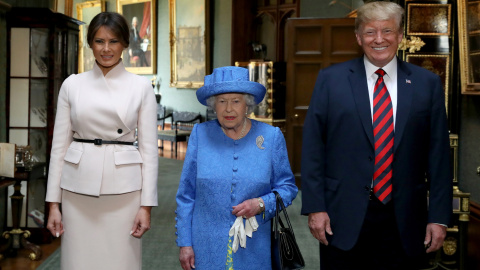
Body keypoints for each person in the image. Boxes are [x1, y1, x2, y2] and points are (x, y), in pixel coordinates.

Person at [301, 2, 452, 269]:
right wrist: (315, 207)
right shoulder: (330, 79)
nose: (379, 39)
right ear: (358, 37)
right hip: (342, 216)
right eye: (370, 32)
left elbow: (438, 156)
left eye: (387, 31)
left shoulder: (426, 84)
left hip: (406, 219)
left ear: (400, 36)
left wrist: (439, 217)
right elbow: (314, 148)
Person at [45, 12, 158, 270]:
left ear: (125, 44)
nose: (106, 49)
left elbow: (150, 152)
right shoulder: (72, 85)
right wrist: (53, 204)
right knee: (78, 262)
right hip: (77, 189)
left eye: (113, 41)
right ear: (90, 44)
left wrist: (146, 206)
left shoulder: (141, 87)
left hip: (124, 192)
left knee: (121, 262)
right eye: (99, 41)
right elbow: (58, 149)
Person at [175, 66, 298, 270]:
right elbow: (186, 195)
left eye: (236, 101)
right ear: (214, 105)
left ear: (247, 105)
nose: (228, 109)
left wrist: (261, 204)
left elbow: (288, 188)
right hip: (205, 244)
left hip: (255, 247)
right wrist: (185, 243)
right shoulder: (200, 134)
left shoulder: (271, 137)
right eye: (222, 101)